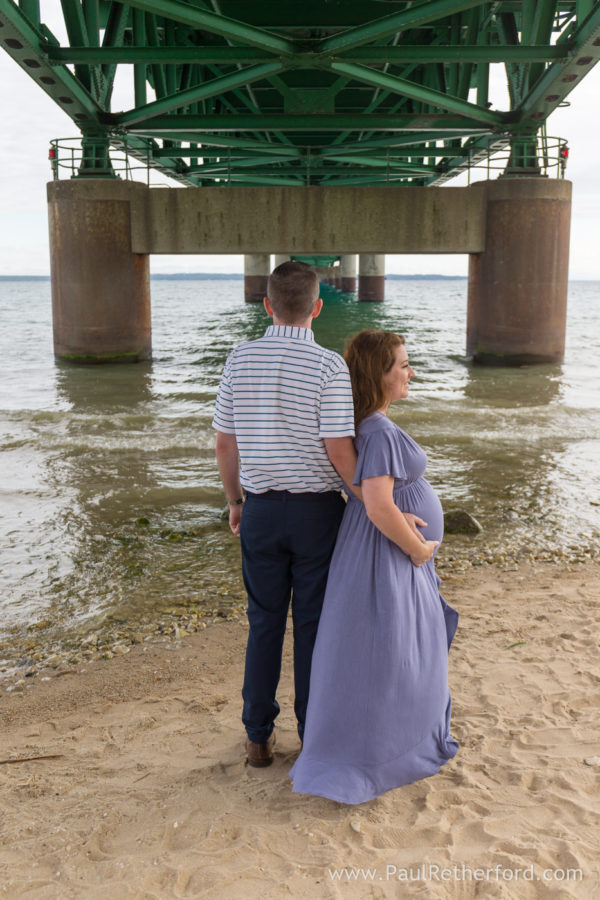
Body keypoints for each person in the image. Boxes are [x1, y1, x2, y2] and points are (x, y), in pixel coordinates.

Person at [289, 329, 459, 804]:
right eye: (402, 365)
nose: (410, 372)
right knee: (389, 649)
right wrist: (417, 550)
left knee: (377, 646)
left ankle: (385, 738)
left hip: (376, 545)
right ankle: (386, 748)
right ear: (378, 375)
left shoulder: (367, 424)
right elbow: (380, 504)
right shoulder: (379, 431)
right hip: (386, 548)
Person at [212, 261, 359, 767]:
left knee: (264, 623)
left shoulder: (238, 359)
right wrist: (370, 503)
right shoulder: (329, 366)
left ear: (266, 306)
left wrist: (235, 502)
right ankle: (311, 735)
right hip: (317, 515)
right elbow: (339, 451)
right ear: (318, 308)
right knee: (314, 626)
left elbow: (225, 443)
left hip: (260, 510)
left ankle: (258, 737)